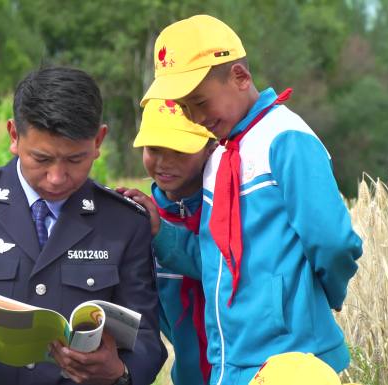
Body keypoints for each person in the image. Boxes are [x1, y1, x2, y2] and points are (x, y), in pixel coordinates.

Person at [0, 66, 166, 385]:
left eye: (75, 160)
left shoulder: (123, 221)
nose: (57, 177)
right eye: (41, 159)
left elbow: (148, 340)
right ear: (14, 136)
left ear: (98, 141)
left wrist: (118, 373)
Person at [135, 14, 363, 385]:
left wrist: (324, 297)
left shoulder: (286, 139)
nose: (195, 117)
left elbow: (333, 241)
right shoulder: (220, 158)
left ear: (240, 77)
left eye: (199, 102)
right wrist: (162, 233)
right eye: (185, 108)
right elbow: (214, 258)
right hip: (232, 362)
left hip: (292, 361)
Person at [121, 98, 216, 385]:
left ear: (211, 147)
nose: (164, 162)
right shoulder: (138, 219)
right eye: (154, 149)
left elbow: (224, 264)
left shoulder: (229, 207)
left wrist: (162, 233)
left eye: (179, 150)